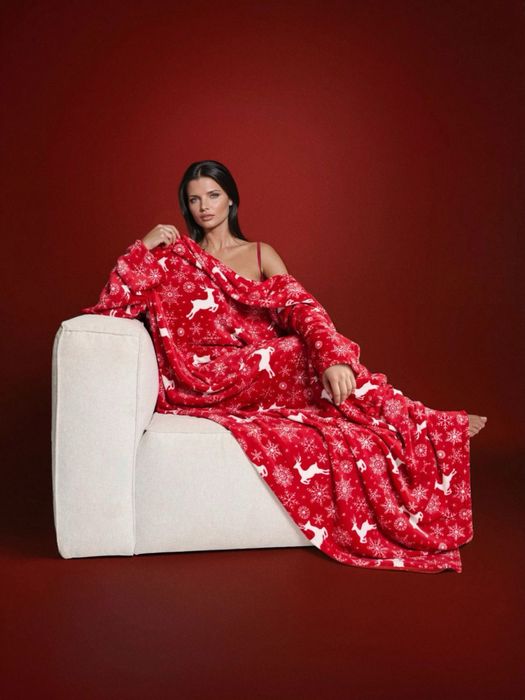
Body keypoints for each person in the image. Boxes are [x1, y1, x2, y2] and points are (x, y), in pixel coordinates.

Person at [141, 159, 487, 438]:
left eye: (213, 195)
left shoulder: (260, 254)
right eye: (194, 199)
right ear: (186, 206)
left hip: (258, 371)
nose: (204, 207)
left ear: (230, 198)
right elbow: (122, 297)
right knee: (298, 349)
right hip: (205, 377)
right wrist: (144, 247)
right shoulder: (178, 257)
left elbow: (300, 306)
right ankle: (422, 420)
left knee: (312, 347)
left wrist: (330, 355)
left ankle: (414, 418)